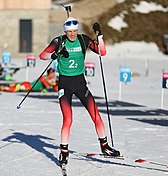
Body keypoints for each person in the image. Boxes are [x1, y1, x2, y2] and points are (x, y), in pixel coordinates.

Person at [39, 17, 120, 167]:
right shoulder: (59, 41)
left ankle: (105, 147)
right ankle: (64, 152)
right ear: (65, 31)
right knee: (68, 119)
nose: (72, 34)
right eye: (69, 32)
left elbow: (102, 52)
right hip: (64, 84)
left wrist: (99, 36)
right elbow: (42, 55)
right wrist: (54, 55)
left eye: (75, 31)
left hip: (80, 83)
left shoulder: (83, 39)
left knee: (95, 114)